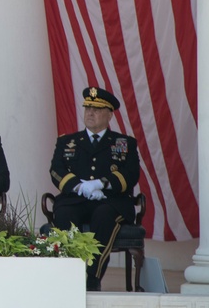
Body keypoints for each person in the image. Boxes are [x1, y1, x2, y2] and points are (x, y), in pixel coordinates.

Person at [49, 86, 139, 292]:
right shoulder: (67, 141)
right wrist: (79, 186)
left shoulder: (124, 143)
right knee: (63, 214)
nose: (90, 113)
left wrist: (102, 183)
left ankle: (92, 277)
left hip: (111, 201)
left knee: (104, 216)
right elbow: (56, 170)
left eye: (97, 109)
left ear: (109, 115)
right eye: (88, 108)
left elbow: (131, 174)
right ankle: (68, 273)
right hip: (75, 199)